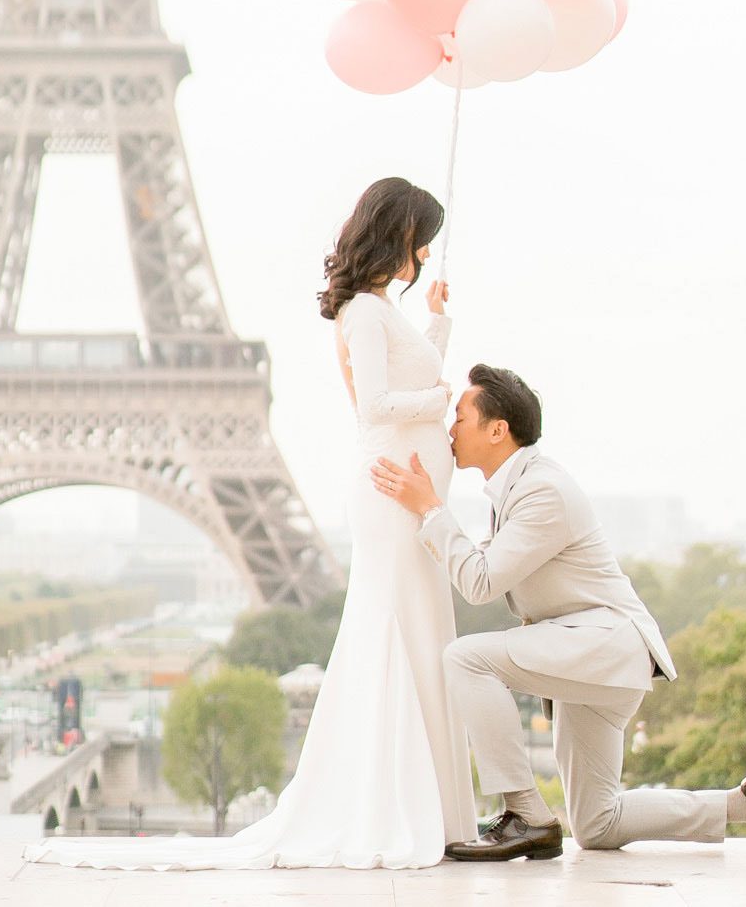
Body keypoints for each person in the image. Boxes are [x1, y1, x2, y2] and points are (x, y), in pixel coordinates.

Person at [25, 177, 473, 870]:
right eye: (422, 239)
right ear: (400, 234)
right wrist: (444, 394)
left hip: (405, 488)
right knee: (397, 629)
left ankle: (423, 804)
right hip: (392, 492)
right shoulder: (362, 312)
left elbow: (407, 378)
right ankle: (402, 805)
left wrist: (438, 323)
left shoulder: (385, 309)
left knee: (412, 629)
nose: (424, 253)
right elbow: (377, 405)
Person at [373, 365, 746, 858]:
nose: (451, 429)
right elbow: (484, 566)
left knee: (465, 658)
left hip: (603, 648)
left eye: (459, 417)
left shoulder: (542, 490)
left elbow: (480, 581)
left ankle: (525, 811)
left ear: (497, 429)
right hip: (594, 659)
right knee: (597, 825)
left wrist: (432, 511)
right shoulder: (519, 487)